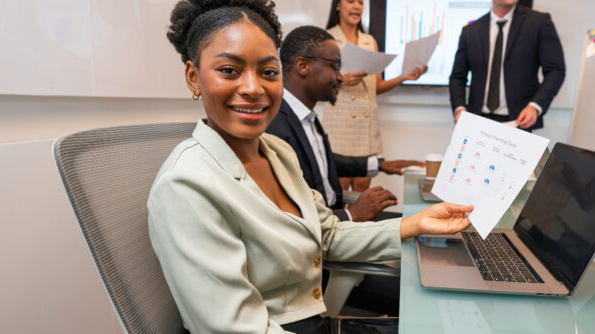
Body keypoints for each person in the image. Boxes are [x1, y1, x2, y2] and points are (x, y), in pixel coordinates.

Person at [149, 1, 473, 333]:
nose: (253, 88)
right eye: (229, 70)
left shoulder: (277, 152)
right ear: (193, 77)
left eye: (268, 72)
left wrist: (417, 223)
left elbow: (328, 235)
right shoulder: (185, 184)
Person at [267, 26, 421, 223]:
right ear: (303, 66)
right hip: (322, 233)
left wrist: (378, 164)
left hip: (334, 220)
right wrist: (352, 214)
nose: (340, 76)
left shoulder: (304, 116)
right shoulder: (274, 126)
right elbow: (288, 216)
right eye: (334, 67)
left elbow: (320, 162)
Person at [322, 0, 427, 193]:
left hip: (366, 127)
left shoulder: (369, 41)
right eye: (351, 1)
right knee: (340, 188)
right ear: (337, 5)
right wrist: (341, 80)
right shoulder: (327, 39)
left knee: (363, 190)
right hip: (340, 126)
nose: (357, 7)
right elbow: (316, 82)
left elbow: (376, 86)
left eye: (361, 3)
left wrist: (403, 77)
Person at [449, 0, 566, 130]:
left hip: (519, 120)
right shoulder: (470, 31)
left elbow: (555, 70)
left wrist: (535, 106)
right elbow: (457, 77)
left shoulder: (539, 22)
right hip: (477, 119)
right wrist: (459, 108)